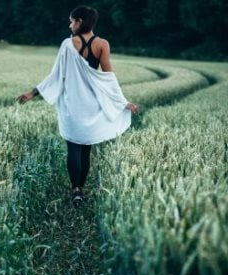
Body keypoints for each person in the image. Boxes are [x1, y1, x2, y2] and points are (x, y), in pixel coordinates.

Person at [16, 5, 139, 205]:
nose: (70, 24)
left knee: (73, 147)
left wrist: (33, 92)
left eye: (72, 20)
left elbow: (56, 76)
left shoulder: (67, 44)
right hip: (92, 105)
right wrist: (123, 103)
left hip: (72, 105)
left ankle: (76, 189)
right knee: (86, 148)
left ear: (80, 21)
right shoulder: (102, 44)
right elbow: (108, 78)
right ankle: (81, 190)